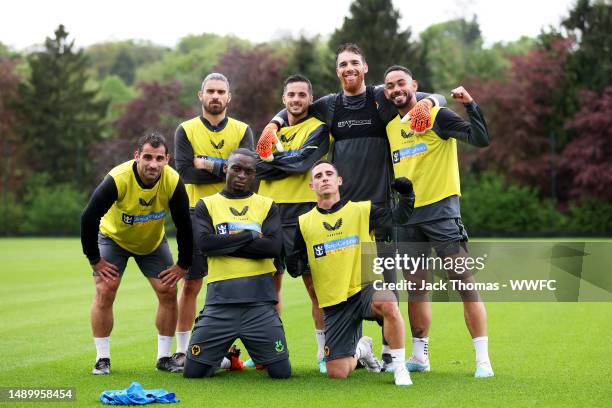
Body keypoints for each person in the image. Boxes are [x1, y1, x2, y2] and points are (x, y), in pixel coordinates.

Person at [257, 44, 446, 362]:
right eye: (343, 63)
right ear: (337, 70)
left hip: (379, 207)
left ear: (365, 67)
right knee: (344, 281)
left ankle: (391, 353)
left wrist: (428, 102)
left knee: (386, 281)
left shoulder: (381, 98)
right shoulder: (330, 106)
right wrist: (273, 124)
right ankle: (353, 347)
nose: (349, 68)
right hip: (342, 211)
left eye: (354, 62)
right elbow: (295, 106)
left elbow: (428, 94)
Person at [382, 65, 494, 378]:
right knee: (416, 288)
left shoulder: (437, 115)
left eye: (400, 83)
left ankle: (483, 360)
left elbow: (480, 138)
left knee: (464, 283)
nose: (395, 90)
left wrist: (469, 104)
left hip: (442, 213)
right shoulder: (390, 126)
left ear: (413, 84)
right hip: (407, 218)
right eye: (389, 86)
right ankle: (420, 357)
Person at [287, 160, 415, 386]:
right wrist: (293, 264)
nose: (324, 178)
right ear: (311, 186)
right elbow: (297, 262)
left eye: (329, 174)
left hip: (365, 288)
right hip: (335, 302)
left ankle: (399, 367)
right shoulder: (304, 222)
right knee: (337, 372)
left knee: (389, 303)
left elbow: (398, 217)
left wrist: (407, 195)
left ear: (339, 181)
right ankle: (362, 348)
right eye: (318, 176)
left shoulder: (362, 210)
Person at [81, 133, 192, 375]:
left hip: (152, 243)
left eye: (159, 158)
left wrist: (183, 264)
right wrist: (95, 260)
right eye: (148, 157)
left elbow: (184, 224)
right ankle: (102, 358)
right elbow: (88, 218)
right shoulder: (118, 178)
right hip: (114, 239)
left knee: (168, 290)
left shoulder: (172, 181)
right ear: (136, 157)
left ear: (167, 160)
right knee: (105, 289)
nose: (153, 164)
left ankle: (164, 357)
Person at [184, 149, 291, 380]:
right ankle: (226, 360)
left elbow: (272, 248)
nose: (242, 175)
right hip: (220, 304)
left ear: (255, 175)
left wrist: (224, 244)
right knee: (193, 373)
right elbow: (205, 244)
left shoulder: (267, 205)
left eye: (248, 171)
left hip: (260, 305)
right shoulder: (206, 204)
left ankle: (238, 354)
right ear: (226, 169)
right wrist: (250, 236)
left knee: (281, 373)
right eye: (236, 169)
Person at [173, 73, 254, 368]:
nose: (216, 96)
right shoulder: (186, 130)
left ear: (229, 97)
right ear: (200, 95)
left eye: (221, 91)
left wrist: (208, 163)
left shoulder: (242, 130)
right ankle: (182, 350)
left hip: (234, 212)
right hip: (196, 211)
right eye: (211, 91)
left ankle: (229, 349)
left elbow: (248, 173)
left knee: (231, 283)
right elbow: (185, 172)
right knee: (192, 283)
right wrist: (229, 170)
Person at [255, 74, 329, 373]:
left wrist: (274, 161)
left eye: (302, 95)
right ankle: (269, 353)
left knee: (317, 289)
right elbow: (255, 166)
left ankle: (325, 353)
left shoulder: (319, 129)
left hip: (303, 216)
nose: (296, 100)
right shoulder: (269, 131)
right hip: (267, 215)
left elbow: (302, 165)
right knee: (268, 290)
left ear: (310, 99)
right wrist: (282, 159)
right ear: (283, 99)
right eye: (291, 95)